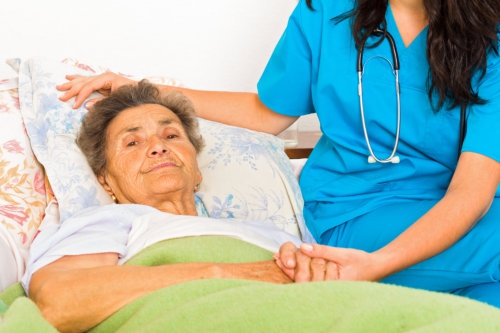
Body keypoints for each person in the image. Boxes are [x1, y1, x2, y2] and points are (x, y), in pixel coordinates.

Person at [57, 0, 500, 307]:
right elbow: (266, 113)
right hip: (355, 216)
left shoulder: (490, 36)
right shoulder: (326, 11)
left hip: (458, 214)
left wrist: (377, 268)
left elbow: (470, 192)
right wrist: (145, 89)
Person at [22, 81, 299, 333]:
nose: (158, 147)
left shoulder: (271, 234)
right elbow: (59, 303)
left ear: (197, 171)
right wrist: (224, 275)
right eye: (132, 142)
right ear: (105, 181)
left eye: (171, 136)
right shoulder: (108, 222)